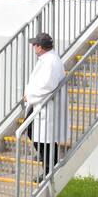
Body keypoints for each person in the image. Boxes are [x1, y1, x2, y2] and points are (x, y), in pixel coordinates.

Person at [22, 32, 68, 178]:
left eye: (34, 45)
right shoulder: (46, 59)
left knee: (46, 139)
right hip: (39, 103)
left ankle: (49, 170)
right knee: (34, 132)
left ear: (40, 47)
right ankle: (44, 158)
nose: (33, 47)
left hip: (45, 103)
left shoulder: (51, 61)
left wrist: (30, 95)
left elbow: (48, 85)